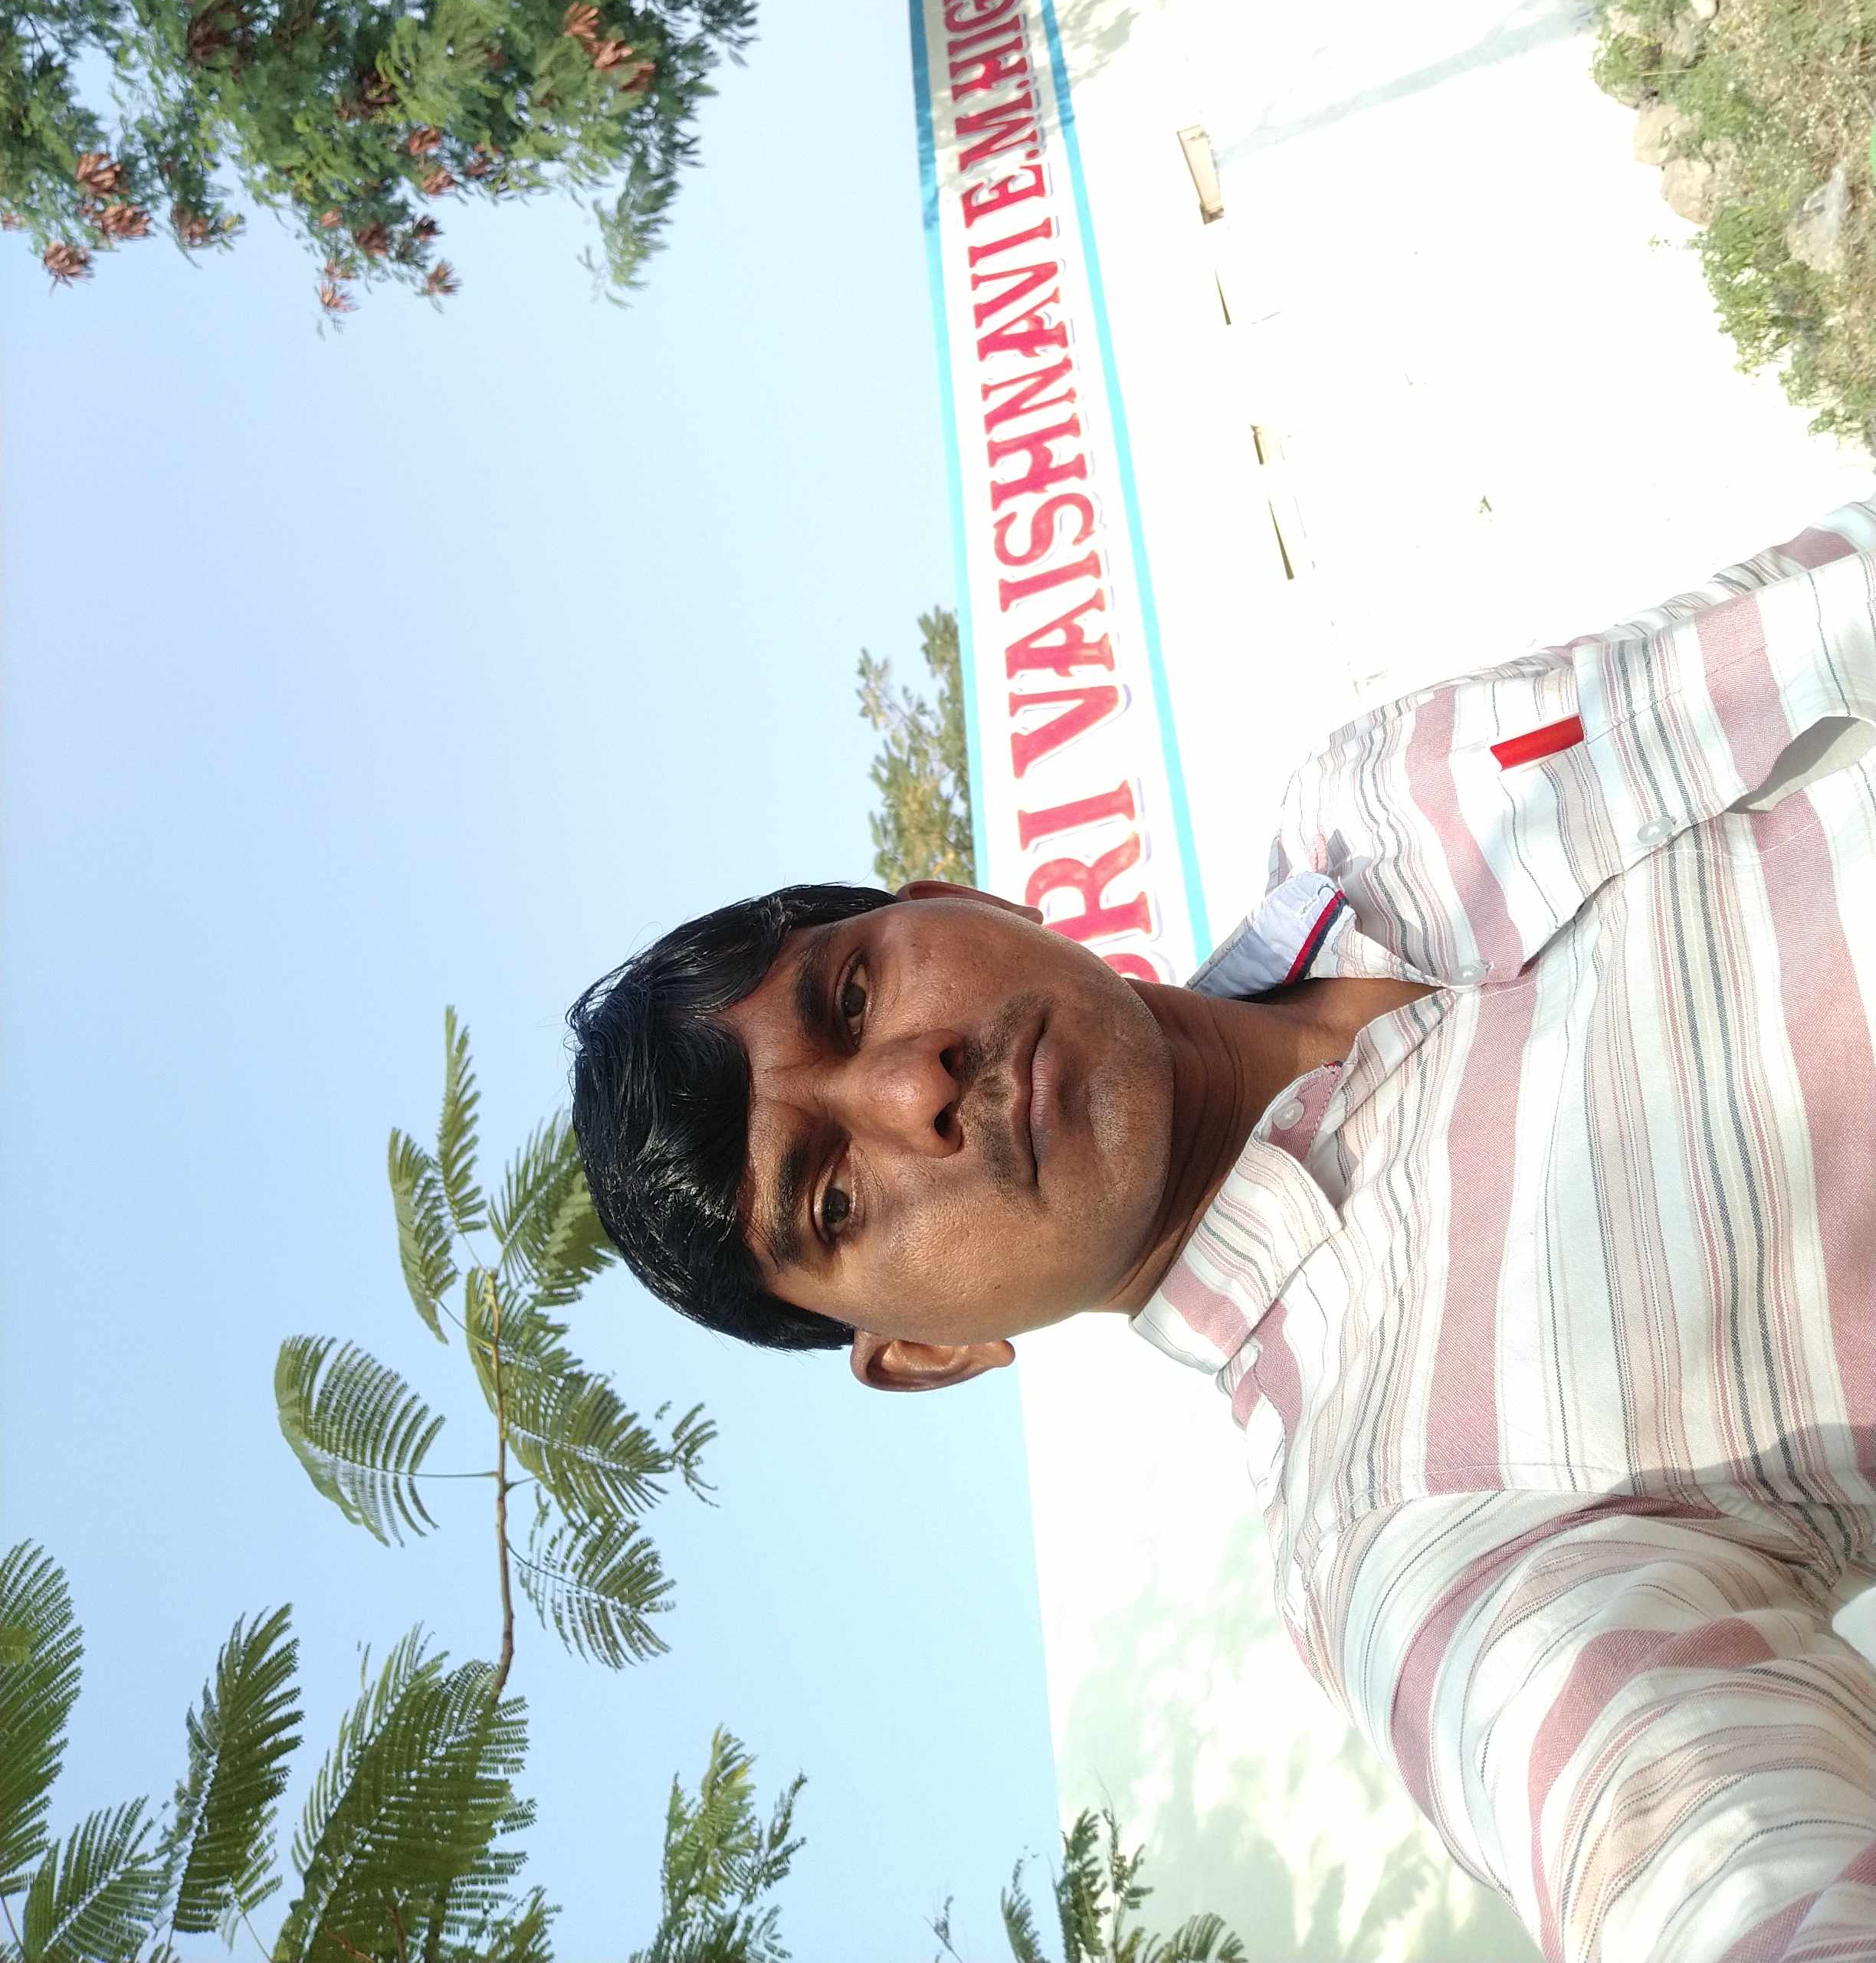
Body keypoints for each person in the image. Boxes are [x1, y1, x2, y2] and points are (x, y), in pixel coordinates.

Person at [569, 501, 1876, 1963]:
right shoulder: (1403, 1522)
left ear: (963, 899)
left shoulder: (1373, 800)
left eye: (854, 994)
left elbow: (1819, 606)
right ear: (924, 1353)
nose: (910, 1087)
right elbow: (1689, 1855)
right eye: (831, 1198)